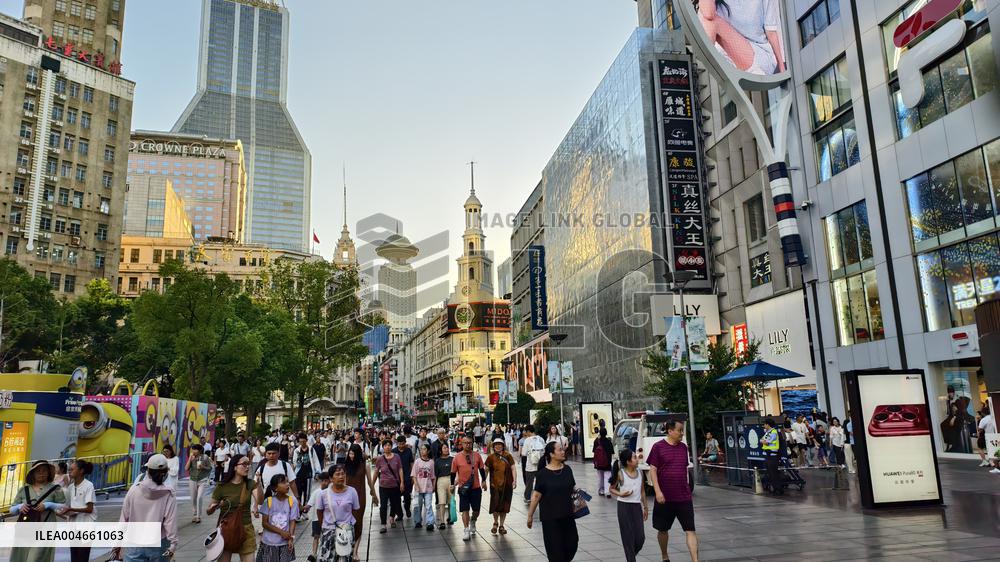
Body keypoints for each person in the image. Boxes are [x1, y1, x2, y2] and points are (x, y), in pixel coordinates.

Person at [647, 419, 699, 562]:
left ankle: (695, 560)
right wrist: (657, 491)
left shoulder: (683, 447)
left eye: (682, 430)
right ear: (670, 431)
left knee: (690, 529)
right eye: (679, 430)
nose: (682, 433)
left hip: (684, 497)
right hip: (665, 498)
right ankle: (664, 555)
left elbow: (684, 469)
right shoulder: (658, 447)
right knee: (663, 530)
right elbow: (653, 470)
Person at [115, 454, 178, 562]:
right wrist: (173, 544)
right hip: (159, 543)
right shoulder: (168, 494)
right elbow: (170, 522)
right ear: (166, 472)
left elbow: (124, 518)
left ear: (148, 471)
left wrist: (117, 543)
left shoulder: (134, 490)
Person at [696, 0, 785, 74]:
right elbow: (708, 13)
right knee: (705, 13)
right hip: (731, 58)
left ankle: (707, 59)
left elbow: (771, 32)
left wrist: (782, 67)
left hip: (760, 58)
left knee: (711, 19)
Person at [526, 441, 578, 562]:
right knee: (555, 550)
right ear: (552, 454)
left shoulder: (567, 470)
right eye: (560, 450)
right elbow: (536, 496)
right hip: (551, 518)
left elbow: (572, 488)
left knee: (572, 544)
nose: (563, 451)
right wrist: (530, 515)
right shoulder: (542, 474)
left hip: (568, 515)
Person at [8, 460, 65, 562]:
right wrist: (19, 507)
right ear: (32, 473)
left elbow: (64, 507)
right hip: (25, 529)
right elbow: (12, 510)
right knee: (22, 556)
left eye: (44, 471)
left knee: (35, 558)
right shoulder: (24, 489)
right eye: (38, 471)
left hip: (46, 528)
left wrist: (49, 505)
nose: (41, 473)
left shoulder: (56, 489)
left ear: (49, 473)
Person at [208, 454, 256, 562]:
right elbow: (209, 511)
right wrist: (215, 507)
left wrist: (260, 483)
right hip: (226, 529)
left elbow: (260, 500)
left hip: (246, 528)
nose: (247, 467)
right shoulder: (222, 486)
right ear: (234, 467)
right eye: (244, 464)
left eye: (248, 464)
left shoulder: (250, 483)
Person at [316, 464, 361, 562]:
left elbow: (356, 511)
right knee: (327, 558)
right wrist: (324, 526)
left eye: (343, 474)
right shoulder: (323, 494)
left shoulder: (352, 492)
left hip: (346, 531)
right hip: (328, 531)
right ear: (331, 478)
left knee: (344, 558)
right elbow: (319, 512)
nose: (341, 477)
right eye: (337, 474)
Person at [609, 449, 648, 562]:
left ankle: (631, 556)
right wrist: (620, 493)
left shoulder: (640, 472)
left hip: (636, 507)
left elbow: (642, 492)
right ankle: (631, 559)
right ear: (628, 462)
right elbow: (611, 489)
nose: (637, 459)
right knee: (628, 538)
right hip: (623, 507)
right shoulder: (620, 474)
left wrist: (645, 507)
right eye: (634, 457)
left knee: (640, 538)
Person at [57, 460, 97, 562]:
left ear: (81, 471)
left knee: (82, 556)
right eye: (69, 469)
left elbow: (89, 508)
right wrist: (62, 512)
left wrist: (71, 509)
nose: (69, 471)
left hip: (86, 526)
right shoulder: (70, 487)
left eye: (72, 469)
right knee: (74, 556)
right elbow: (68, 506)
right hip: (73, 526)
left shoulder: (89, 485)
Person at [254, 442, 298, 531]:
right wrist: (255, 506)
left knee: (284, 526)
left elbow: (292, 483)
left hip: (284, 502)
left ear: (278, 454)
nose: (271, 456)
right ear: (265, 454)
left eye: (273, 453)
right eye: (269, 454)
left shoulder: (285, 466)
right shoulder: (261, 469)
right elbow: (256, 488)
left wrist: (297, 498)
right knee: (268, 528)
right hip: (268, 503)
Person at [344, 444, 377, 558]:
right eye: (350, 453)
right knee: (347, 523)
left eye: (353, 454)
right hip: (346, 498)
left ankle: (355, 552)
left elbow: (369, 482)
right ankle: (348, 546)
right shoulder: (345, 465)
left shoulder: (365, 465)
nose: (351, 456)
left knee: (358, 523)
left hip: (360, 497)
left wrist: (374, 495)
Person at [257, 473, 299, 562]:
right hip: (269, 543)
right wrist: (281, 532)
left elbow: (292, 521)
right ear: (275, 488)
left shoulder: (292, 501)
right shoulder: (268, 501)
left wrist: (290, 538)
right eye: (283, 482)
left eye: (287, 481)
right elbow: (264, 523)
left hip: (285, 543)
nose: (287, 484)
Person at [451, 435, 487, 541]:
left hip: (476, 487)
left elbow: (481, 469)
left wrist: (484, 481)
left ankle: (473, 520)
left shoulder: (477, 455)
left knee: (476, 510)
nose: (468, 445)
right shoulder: (457, 457)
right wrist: (452, 484)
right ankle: (466, 529)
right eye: (465, 443)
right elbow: (453, 472)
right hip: (463, 488)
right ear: (461, 444)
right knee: (465, 509)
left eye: (470, 443)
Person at [484, 437, 516, 535]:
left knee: (505, 505)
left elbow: (513, 468)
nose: (498, 446)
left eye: (500, 444)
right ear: (493, 446)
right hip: (495, 485)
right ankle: (495, 522)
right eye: (496, 445)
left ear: (503, 446)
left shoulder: (508, 456)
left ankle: (501, 525)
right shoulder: (490, 457)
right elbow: (486, 469)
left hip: (507, 484)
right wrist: (483, 480)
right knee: (495, 504)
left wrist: (514, 480)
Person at [375, 440, 404, 533]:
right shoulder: (379, 459)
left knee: (394, 503)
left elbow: (400, 469)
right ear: (383, 447)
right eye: (385, 445)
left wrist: (402, 482)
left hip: (394, 485)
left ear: (391, 447)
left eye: (389, 445)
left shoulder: (397, 457)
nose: (387, 447)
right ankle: (383, 524)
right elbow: (376, 472)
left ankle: (392, 517)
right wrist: (371, 485)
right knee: (383, 505)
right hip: (383, 485)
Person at [304, 471, 330, 562]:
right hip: (316, 519)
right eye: (323, 481)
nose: (325, 483)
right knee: (316, 536)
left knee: (327, 537)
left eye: (327, 480)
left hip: (328, 520)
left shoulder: (332, 491)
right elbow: (308, 506)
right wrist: (301, 508)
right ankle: (314, 554)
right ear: (320, 481)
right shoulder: (316, 492)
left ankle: (325, 553)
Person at [186, 443, 215, 523]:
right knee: (193, 499)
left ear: (199, 451)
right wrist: (189, 460)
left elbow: (210, 468)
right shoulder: (191, 457)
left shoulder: (205, 457)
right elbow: (186, 468)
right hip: (192, 479)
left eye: (195, 449)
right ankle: (194, 515)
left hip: (202, 480)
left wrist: (203, 467)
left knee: (199, 497)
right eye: (193, 449)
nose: (193, 451)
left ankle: (198, 516)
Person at [411, 443, 436, 531]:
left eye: (424, 449)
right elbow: (414, 475)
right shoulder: (417, 461)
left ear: (428, 451)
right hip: (419, 487)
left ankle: (430, 522)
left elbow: (433, 476)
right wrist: (416, 485)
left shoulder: (431, 462)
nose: (422, 451)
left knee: (428, 505)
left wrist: (433, 486)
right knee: (418, 505)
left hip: (428, 487)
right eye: (421, 449)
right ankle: (418, 521)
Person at [293, 433, 321, 508]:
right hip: (298, 475)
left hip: (308, 474)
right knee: (298, 493)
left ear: (307, 441)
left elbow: (315, 461)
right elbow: (294, 462)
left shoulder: (311, 449)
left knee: (307, 494)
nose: (302, 443)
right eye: (300, 442)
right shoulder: (296, 450)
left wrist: (317, 472)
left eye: (303, 441)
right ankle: (298, 510)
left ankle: (305, 510)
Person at [391, 435, 415, 520]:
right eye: (399, 444)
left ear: (405, 443)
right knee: (396, 497)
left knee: (407, 496)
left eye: (403, 444)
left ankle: (407, 508)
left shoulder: (408, 451)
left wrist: (412, 475)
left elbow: (411, 463)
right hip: (396, 478)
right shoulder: (393, 451)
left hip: (407, 476)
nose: (401, 446)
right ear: (397, 443)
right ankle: (399, 514)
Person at [521, 425, 546, 504]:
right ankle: (542, 495)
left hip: (530, 465)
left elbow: (524, 453)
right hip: (540, 465)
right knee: (541, 481)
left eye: (525, 431)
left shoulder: (527, 440)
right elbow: (544, 451)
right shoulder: (541, 439)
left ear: (528, 431)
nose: (525, 433)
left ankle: (527, 497)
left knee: (529, 483)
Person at [433, 441, 454, 530]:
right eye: (444, 448)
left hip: (450, 480)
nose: (446, 449)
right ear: (440, 450)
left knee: (450, 501)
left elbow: (455, 471)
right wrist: (434, 486)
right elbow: (435, 475)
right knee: (441, 502)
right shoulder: (437, 461)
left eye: (447, 448)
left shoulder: (452, 459)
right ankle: (442, 521)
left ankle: (450, 517)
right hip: (440, 481)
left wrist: (456, 481)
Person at [761, 417, 783, 495]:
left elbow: (766, 442)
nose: (764, 426)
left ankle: (779, 489)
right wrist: (764, 441)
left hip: (773, 455)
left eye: (765, 424)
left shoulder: (773, 432)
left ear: (768, 424)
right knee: (770, 473)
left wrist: (764, 441)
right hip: (768, 455)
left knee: (774, 473)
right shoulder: (768, 432)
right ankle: (775, 488)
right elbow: (761, 440)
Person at [592, 427, 614, 498]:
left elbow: (594, 451)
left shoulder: (596, 441)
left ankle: (601, 490)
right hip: (607, 462)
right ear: (606, 433)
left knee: (600, 477)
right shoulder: (608, 441)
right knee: (607, 476)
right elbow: (612, 452)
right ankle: (607, 492)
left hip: (598, 463)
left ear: (599, 433)